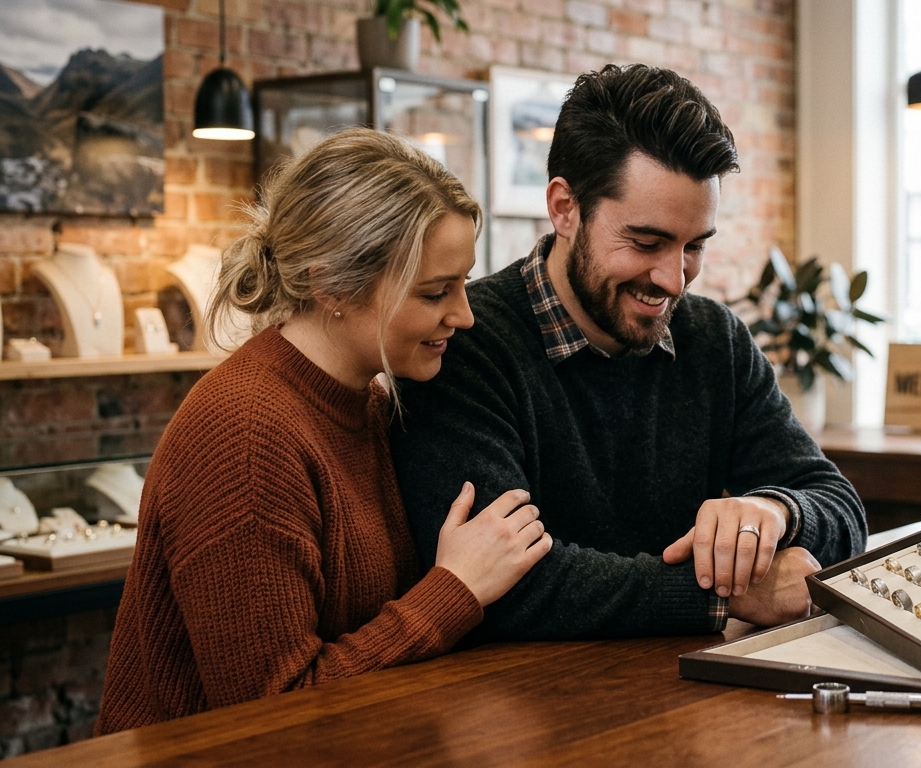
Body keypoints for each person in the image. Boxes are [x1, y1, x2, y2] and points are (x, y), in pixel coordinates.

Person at [96, 129, 551, 733]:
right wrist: (454, 589)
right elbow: (274, 709)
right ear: (332, 285)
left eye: (464, 284)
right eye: (436, 291)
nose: (464, 315)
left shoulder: (367, 401)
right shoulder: (246, 436)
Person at [390, 64, 867, 638]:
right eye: (647, 242)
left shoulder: (716, 340)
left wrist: (774, 512)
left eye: (694, 246)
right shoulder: (464, 345)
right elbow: (498, 585)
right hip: (520, 710)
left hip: (693, 703)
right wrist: (727, 594)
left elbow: (841, 507)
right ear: (565, 208)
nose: (673, 279)